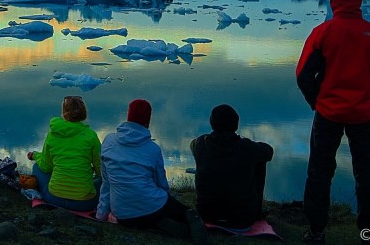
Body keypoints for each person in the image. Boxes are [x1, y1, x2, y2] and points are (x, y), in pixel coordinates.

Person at [296, 0, 370, 244]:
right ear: (359, 1)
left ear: (334, 1)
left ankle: (316, 230)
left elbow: (304, 74)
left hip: (328, 113)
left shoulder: (324, 32)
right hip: (361, 115)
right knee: (365, 172)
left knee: (319, 171)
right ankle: (369, 232)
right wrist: (369, 99)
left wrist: (316, 101)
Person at [96, 99, 208, 244]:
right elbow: (161, 184)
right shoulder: (152, 149)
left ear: (128, 116)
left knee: (145, 210)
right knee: (180, 210)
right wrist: (167, 203)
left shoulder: (108, 141)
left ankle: (156, 223)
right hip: (152, 207)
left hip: (122, 214)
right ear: (148, 121)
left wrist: (100, 215)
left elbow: (107, 184)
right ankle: (178, 219)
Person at [190, 104, 273, 229]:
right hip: (242, 219)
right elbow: (269, 151)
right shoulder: (247, 147)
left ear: (212, 123)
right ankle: (257, 210)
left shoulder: (201, 144)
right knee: (260, 160)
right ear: (236, 125)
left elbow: (193, 143)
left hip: (206, 215)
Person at [26, 95, 101, 211]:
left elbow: (46, 167)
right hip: (85, 203)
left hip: (53, 198)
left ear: (64, 112)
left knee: (37, 167)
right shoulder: (91, 136)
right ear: (83, 112)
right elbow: (100, 169)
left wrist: (35, 155)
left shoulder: (52, 134)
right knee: (104, 179)